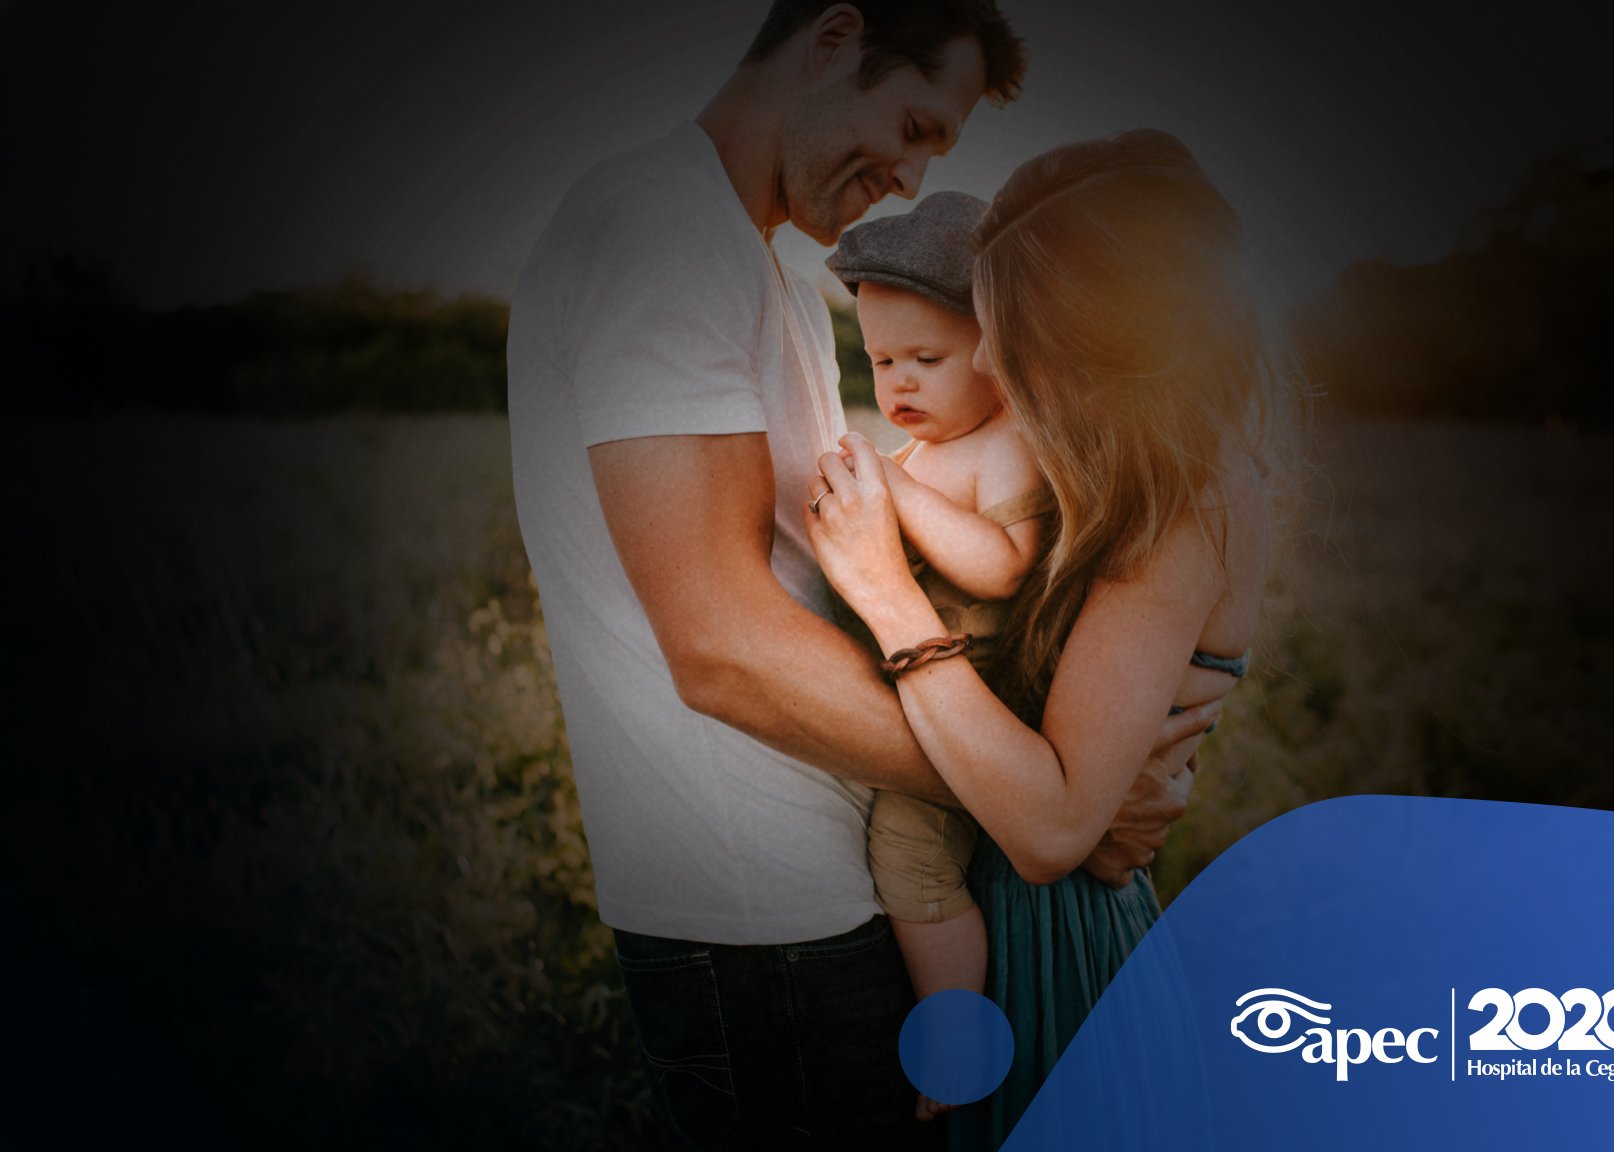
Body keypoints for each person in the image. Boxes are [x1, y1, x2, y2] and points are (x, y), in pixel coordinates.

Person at [508, 3, 1220, 1145]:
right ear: (833, 36)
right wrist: (1046, 804)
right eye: (913, 122)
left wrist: (1058, 784)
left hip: (834, 886)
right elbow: (724, 649)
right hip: (765, 909)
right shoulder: (660, 231)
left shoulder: (767, 277)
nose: (911, 173)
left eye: (937, 148)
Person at [805, 128, 1280, 1147]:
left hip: (1054, 951)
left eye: (1027, 358)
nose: (1010, 392)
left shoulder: (1182, 506)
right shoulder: (1109, 479)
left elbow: (1057, 827)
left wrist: (891, 601)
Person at [824, 190, 1051, 1120]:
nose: (900, 385)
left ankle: (958, 1043)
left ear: (999, 354)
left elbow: (1002, 567)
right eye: (882, 362)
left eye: (927, 358)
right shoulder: (931, 449)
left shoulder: (1007, 445)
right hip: (920, 695)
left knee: (910, 861)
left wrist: (894, 493)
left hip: (976, 710)